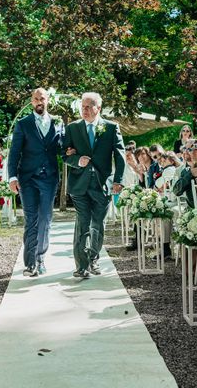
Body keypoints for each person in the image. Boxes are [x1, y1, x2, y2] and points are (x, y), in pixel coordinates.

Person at [63, 92, 125, 278]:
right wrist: (76, 160)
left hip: (102, 185)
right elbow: (65, 155)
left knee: (97, 224)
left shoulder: (111, 128)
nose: (85, 110)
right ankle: (81, 266)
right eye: (83, 106)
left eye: (89, 106)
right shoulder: (72, 128)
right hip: (79, 185)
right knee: (83, 223)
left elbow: (120, 157)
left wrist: (118, 181)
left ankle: (93, 259)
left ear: (98, 107)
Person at [8, 88, 62, 276]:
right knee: (31, 219)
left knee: (45, 219)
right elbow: (14, 151)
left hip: (49, 178)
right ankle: (30, 263)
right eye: (36, 99)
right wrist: (12, 177)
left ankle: (41, 258)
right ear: (31, 102)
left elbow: (62, 147)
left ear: (48, 101)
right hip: (27, 178)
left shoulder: (58, 122)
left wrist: (70, 152)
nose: (39, 101)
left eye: (43, 98)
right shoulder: (23, 124)